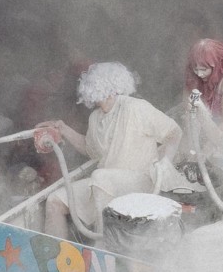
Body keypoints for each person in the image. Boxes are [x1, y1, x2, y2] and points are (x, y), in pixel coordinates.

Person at [37, 63, 182, 239]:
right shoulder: (95, 118)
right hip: (104, 186)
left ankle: (104, 244)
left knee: (100, 176)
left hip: (140, 182)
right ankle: (56, 258)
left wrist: (166, 162)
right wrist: (64, 129)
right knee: (55, 200)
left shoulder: (137, 107)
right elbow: (90, 150)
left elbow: (174, 132)